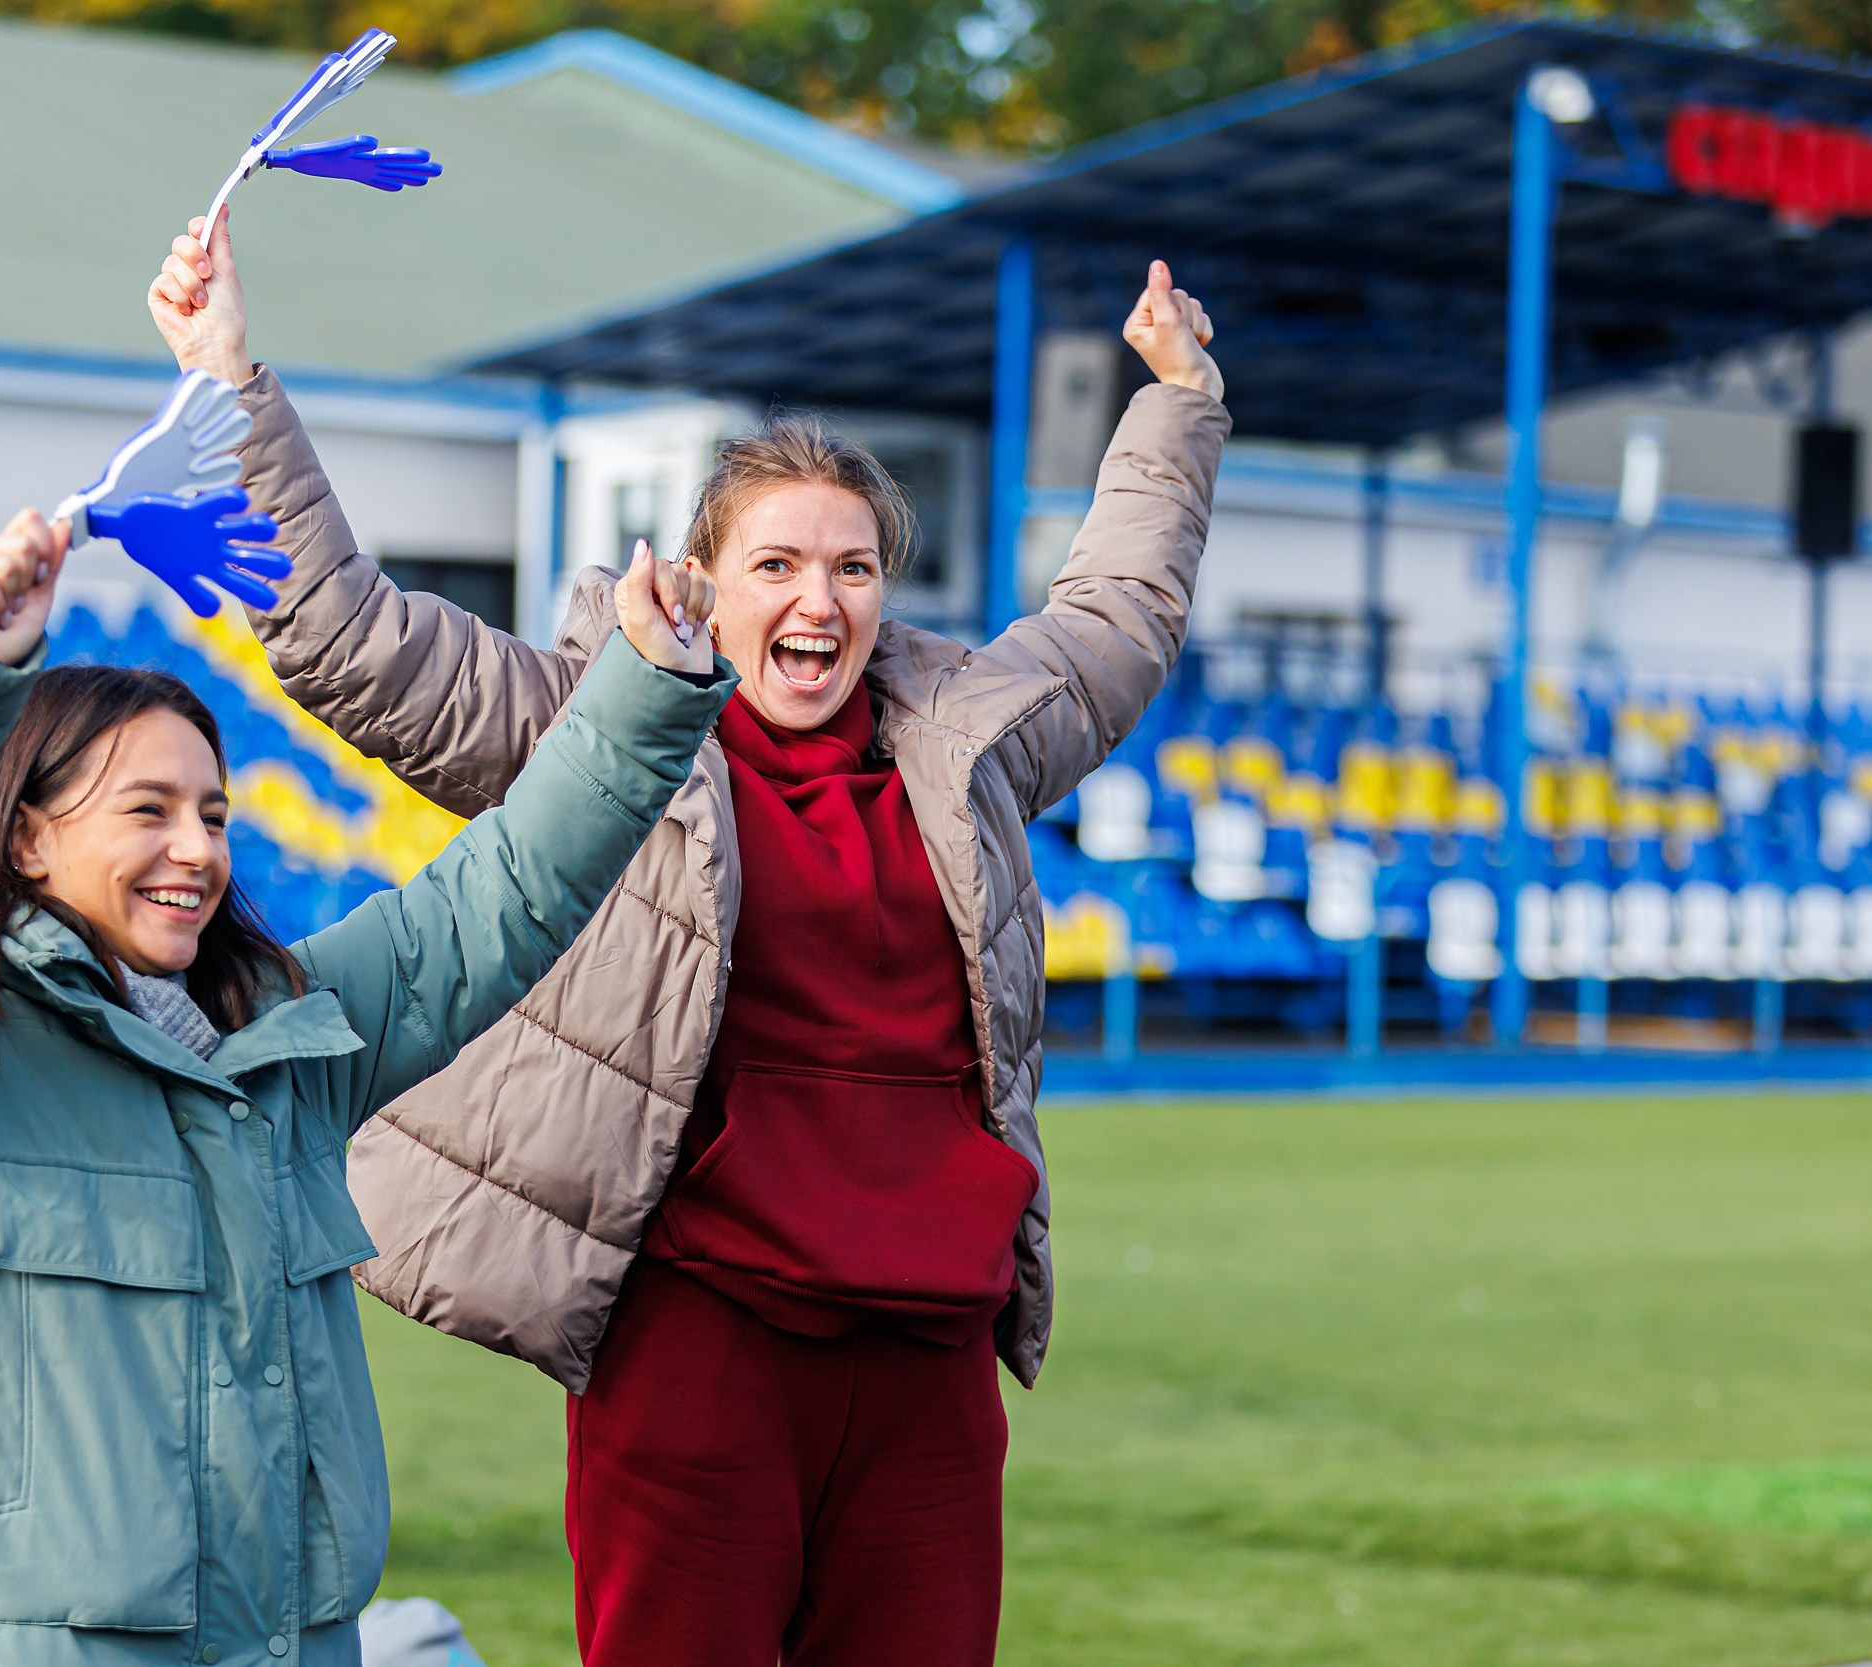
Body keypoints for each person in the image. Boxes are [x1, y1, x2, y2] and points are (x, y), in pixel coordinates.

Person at [150, 211, 1228, 1667]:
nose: (817, 599)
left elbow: (1121, 614)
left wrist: (1177, 402)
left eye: (853, 567)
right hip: (697, 1343)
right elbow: (352, 635)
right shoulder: (600, 727)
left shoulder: (969, 740)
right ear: (707, 582)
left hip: (927, 1359)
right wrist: (228, 380)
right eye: (777, 563)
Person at [0, 501, 730, 1667]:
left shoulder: (291, 1036)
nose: (198, 848)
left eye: (212, 814)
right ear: (24, 841)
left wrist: (645, 684)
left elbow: (502, 893)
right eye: (148, 810)